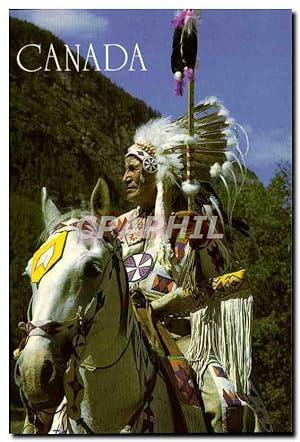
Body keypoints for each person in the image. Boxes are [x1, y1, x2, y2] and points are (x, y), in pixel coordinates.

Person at [112, 98, 273, 433]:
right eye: (124, 168)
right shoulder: (116, 229)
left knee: (222, 405)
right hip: (122, 335)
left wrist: (176, 300)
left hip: (183, 340)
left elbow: (235, 280)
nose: (124, 175)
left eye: (133, 167)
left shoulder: (195, 225)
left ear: (155, 173)